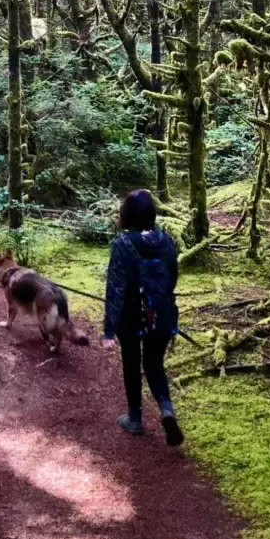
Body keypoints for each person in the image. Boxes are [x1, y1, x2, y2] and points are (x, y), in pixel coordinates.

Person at [102, 189, 184, 447]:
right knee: (154, 363)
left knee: (131, 362)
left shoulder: (121, 245)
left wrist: (109, 328)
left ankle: (135, 418)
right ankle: (166, 409)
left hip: (131, 316)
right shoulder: (168, 240)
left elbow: (115, 287)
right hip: (162, 312)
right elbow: (172, 278)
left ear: (127, 215)